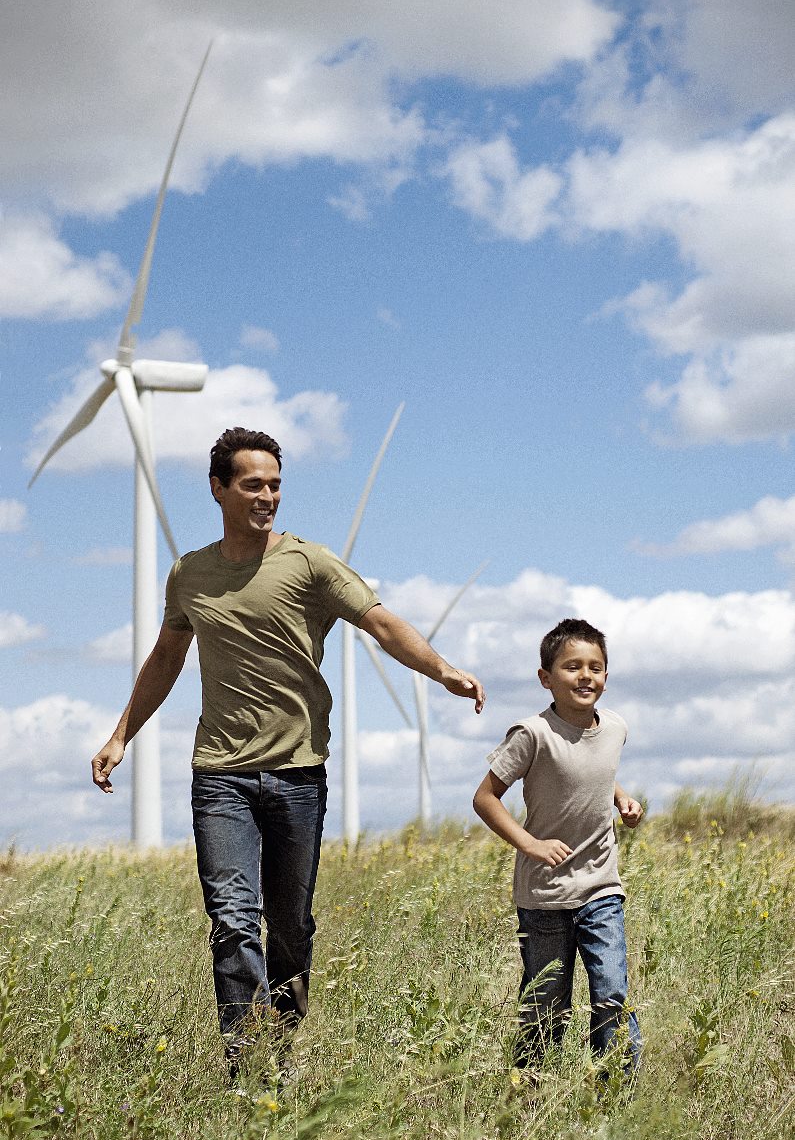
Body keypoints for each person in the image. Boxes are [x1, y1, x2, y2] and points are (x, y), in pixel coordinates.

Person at [91, 427, 484, 1077]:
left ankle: (281, 1043)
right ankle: (246, 1067)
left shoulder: (310, 564)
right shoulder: (190, 575)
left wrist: (441, 670)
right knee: (233, 921)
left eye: (275, 485)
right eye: (253, 485)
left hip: (299, 774)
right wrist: (119, 735)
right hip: (220, 776)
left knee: (291, 927)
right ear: (218, 489)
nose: (267, 497)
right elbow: (166, 656)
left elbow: (381, 622)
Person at [472, 617, 642, 1074]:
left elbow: (595, 770)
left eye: (595, 667)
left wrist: (622, 798)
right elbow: (485, 798)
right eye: (572, 667)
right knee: (547, 1005)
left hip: (602, 886)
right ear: (546, 678)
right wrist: (530, 844)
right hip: (544, 895)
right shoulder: (532, 734)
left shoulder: (616, 728)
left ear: (606, 676)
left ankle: (614, 1091)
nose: (585, 676)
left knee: (612, 993)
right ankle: (530, 1090)